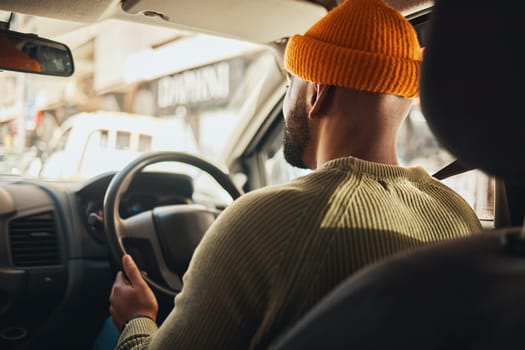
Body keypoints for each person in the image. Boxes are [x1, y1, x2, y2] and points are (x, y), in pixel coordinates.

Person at [107, 0, 482, 349]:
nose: (289, 100)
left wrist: (137, 319)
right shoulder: (457, 214)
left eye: (291, 84)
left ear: (316, 92)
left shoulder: (260, 222)